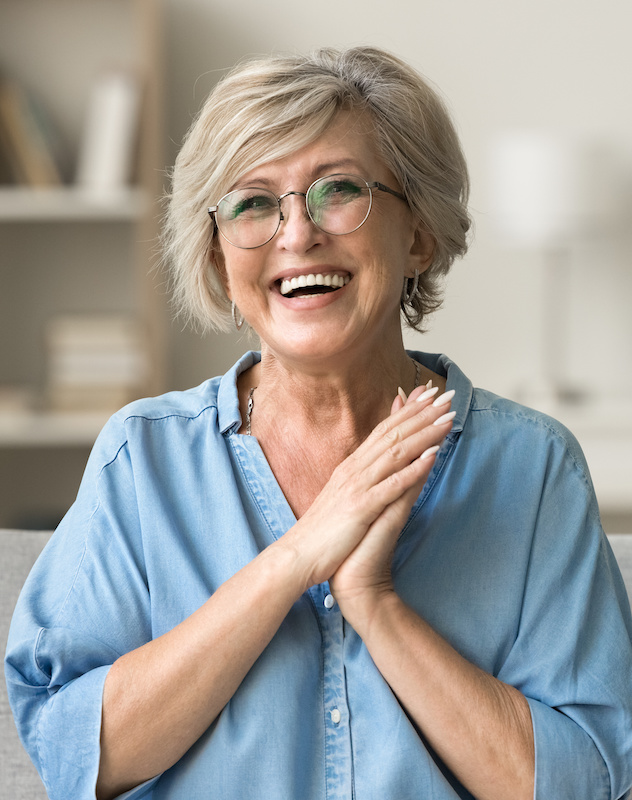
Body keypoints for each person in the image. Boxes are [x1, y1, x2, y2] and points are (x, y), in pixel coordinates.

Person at [5, 46, 632, 800]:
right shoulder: (143, 459)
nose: (296, 234)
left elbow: (584, 784)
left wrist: (375, 603)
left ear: (419, 235)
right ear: (217, 256)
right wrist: (298, 555)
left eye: (339, 190)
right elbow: (76, 753)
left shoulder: (532, 471)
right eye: (253, 203)